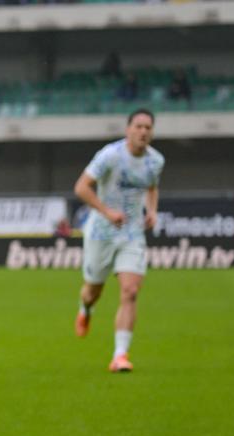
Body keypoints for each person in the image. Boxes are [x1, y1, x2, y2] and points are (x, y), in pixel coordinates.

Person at [73, 108, 163, 372]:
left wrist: (152, 210)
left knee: (130, 291)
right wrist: (107, 212)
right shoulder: (110, 155)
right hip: (101, 232)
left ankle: (120, 355)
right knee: (93, 291)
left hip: (132, 233)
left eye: (148, 127)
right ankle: (85, 309)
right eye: (138, 126)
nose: (143, 131)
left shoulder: (155, 161)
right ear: (128, 129)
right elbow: (81, 187)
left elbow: (152, 187)